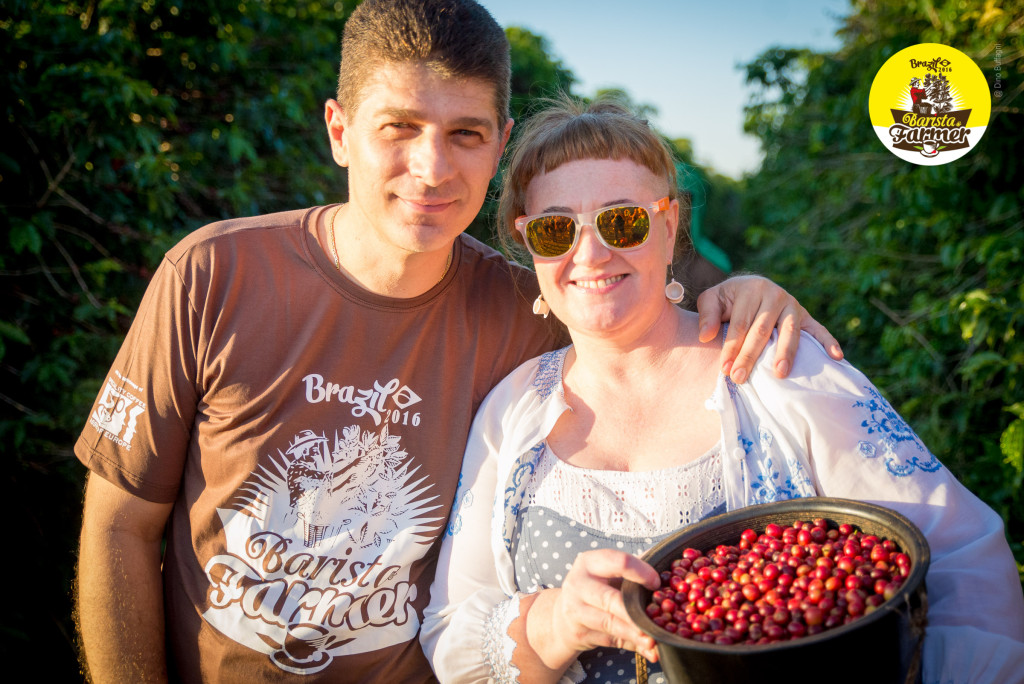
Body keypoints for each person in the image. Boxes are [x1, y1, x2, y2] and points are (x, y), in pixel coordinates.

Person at [72, 2, 841, 682]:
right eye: (398, 129)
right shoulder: (213, 275)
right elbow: (119, 524)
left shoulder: (523, 309)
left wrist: (735, 297)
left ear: (499, 142)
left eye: (465, 134)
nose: (432, 169)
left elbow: (627, 304)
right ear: (340, 131)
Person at [420, 96, 1024, 684]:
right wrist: (553, 624)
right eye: (556, 230)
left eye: (622, 220)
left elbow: (960, 554)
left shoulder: (776, 364)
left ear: (669, 221)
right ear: (528, 240)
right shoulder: (511, 413)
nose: (591, 251)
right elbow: (450, 636)